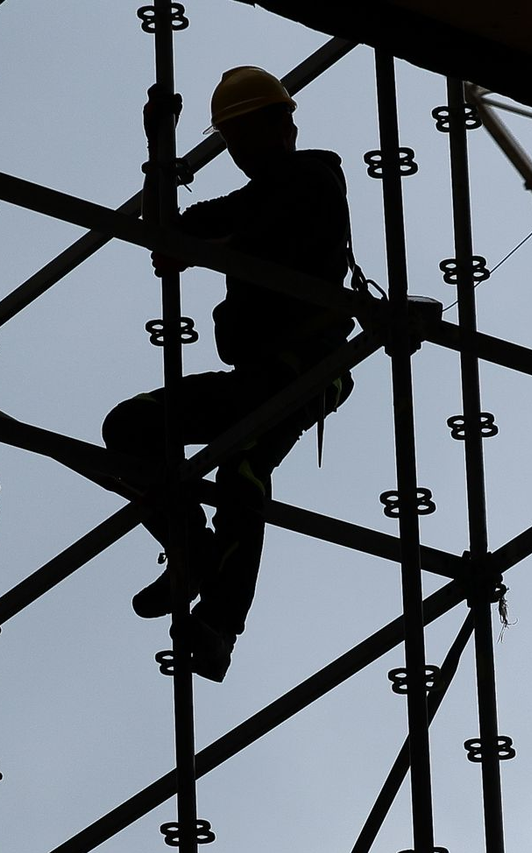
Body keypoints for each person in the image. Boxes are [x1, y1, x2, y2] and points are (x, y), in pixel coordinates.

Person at [102, 66, 355, 682]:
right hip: (255, 376)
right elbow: (165, 233)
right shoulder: (255, 196)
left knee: (242, 465)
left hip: (304, 369)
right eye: (232, 140)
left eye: (245, 135)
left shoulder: (313, 181)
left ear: (282, 126)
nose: (239, 152)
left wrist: (190, 244)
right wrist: (158, 151)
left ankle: (219, 622)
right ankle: (192, 549)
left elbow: (235, 240)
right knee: (131, 428)